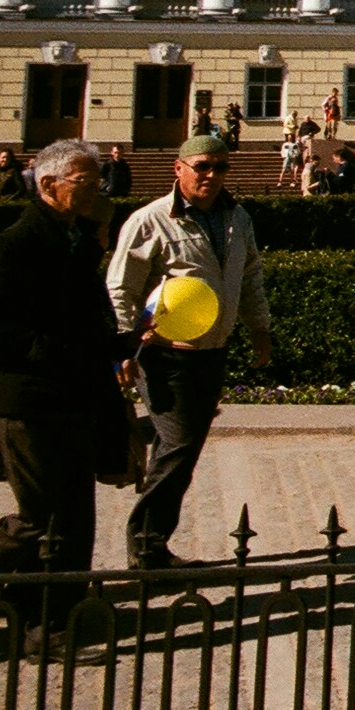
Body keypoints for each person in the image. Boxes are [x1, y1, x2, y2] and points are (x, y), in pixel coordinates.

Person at [103, 131, 272, 568]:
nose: (212, 176)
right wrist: (122, 350)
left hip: (212, 350)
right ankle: (146, 546)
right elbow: (121, 289)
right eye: (203, 167)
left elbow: (250, 275)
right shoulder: (150, 220)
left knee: (182, 445)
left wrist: (259, 328)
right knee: (179, 446)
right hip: (163, 353)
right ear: (178, 170)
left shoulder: (239, 218)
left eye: (221, 168)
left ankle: (151, 536)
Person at [0, 141, 126, 649]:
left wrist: (127, 342)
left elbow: (89, 322)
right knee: (36, 518)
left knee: (74, 516)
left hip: (74, 397)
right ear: (49, 185)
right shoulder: (14, 246)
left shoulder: (77, 243)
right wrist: (62, 354)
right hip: (30, 401)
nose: (98, 193)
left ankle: (47, 618)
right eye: (87, 183)